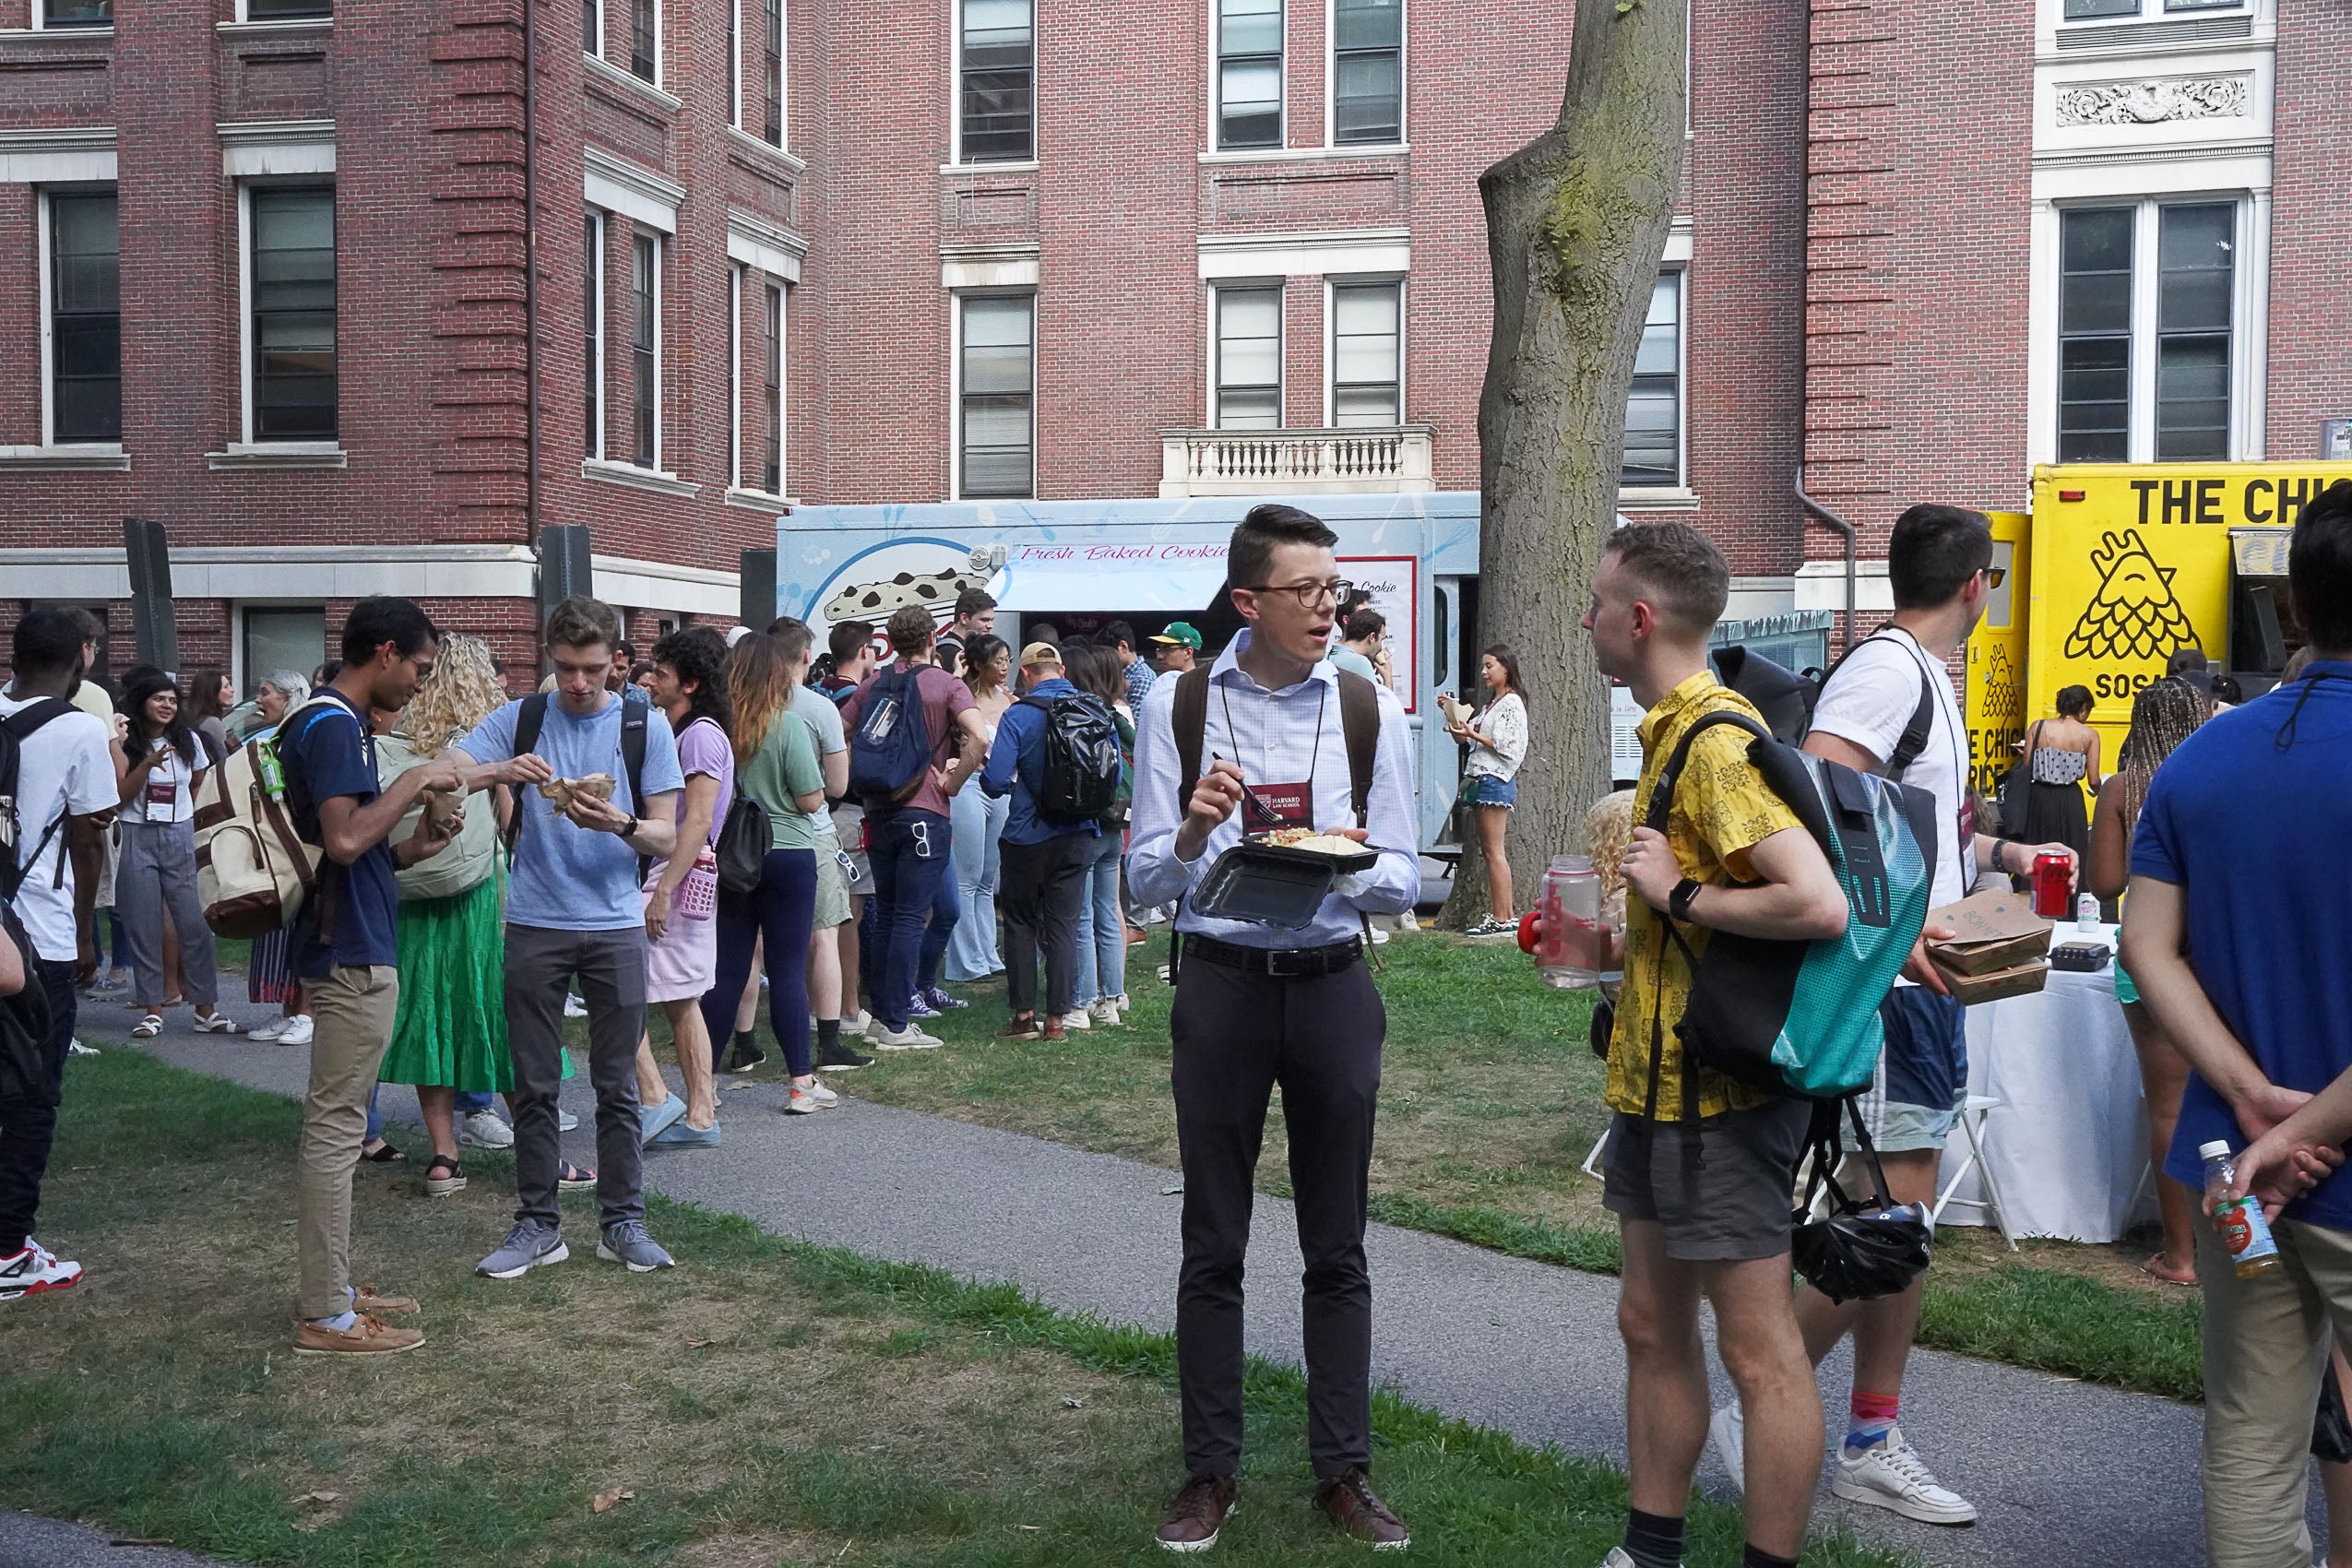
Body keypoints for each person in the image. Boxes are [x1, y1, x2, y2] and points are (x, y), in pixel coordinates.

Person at [1714, 504, 2080, 1527]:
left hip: (1922, 985)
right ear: (1978, 584)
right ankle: (1762, 1397)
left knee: (1898, 1226)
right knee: (1892, 1222)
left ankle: (1870, 1436)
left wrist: (1995, 861)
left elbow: (1898, 820)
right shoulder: (1888, 671)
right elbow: (1821, 787)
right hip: (1892, 990)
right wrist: (1893, 931)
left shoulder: (1918, 676)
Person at [1128, 504, 1422, 1552]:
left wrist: (1347, 855)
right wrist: (1199, 830)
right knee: (1214, 1237)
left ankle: (1342, 1469)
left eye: (1334, 588)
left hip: (1335, 980)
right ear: (1249, 600)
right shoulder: (1179, 701)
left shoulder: (1367, 705)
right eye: (1306, 590)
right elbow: (1143, 876)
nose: (1327, 607)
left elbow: (1405, 875)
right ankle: (1210, 1469)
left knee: (1335, 1240)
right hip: (1221, 983)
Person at [1578, 521, 1852, 1568]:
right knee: (1650, 1320)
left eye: (1600, 601)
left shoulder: (1716, 744)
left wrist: (1677, 890)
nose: (1590, 616)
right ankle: (1651, 1550)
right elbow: (1700, 913)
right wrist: (1622, 935)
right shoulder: (1666, 734)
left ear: (1639, 619)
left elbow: (1815, 902)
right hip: (1652, 1086)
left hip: (1723, 1098)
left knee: (1758, 1348)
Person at [2121, 480, 2352, 1568]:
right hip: (2295, 1164)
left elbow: (2146, 947)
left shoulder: (2200, 759)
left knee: (2252, 1444)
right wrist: (2297, 1126)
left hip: (2231, 1174)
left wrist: (2253, 1100)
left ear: (2294, 606)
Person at [456, 594, 685, 1280]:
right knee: (532, 1086)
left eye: (591, 670)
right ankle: (537, 1224)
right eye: (565, 669)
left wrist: (617, 824)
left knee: (617, 1086)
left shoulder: (643, 723)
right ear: (548, 660)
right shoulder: (522, 716)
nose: (578, 684)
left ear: (617, 662)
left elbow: (666, 833)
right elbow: (447, 773)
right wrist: (499, 772)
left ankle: (623, 1222)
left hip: (614, 924)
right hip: (535, 921)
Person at [276, 596, 459, 1354]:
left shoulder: (330, 722)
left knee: (337, 1123)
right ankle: (327, 1314)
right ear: (384, 652)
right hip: (348, 953)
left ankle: (336, 1290)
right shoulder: (332, 725)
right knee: (337, 1129)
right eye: (418, 668)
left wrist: (416, 840)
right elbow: (345, 840)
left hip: (355, 941)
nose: (420, 684)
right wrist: (417, 781)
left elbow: (366, 852)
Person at [0, 608, 119, 1301]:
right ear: (84, 653)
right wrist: (82, 935)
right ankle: (10, 1248)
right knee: (33, 1095)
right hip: (36, 936)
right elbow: (87, 834)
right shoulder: (81, 730)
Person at [374, 634, 517, 1197]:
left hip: (413, 891)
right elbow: (510, 824)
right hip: (478, 894)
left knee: (429, 1013)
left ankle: (443, 1157)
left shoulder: (401, 735)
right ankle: (538, 1147)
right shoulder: (487, 738)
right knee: (498, 1014)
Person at [2085, 677, 2211, 1285]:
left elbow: (2104, 884)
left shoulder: (2123, 790)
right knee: (2230, 1101)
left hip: (2149, 953)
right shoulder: (2218, 780)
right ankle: (2241, 1247)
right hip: (2217, 956)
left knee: (2167, 1108)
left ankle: (2181, 1255)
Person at [699, 629, 835, 1113]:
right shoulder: (788, 726)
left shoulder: (716, 728)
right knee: (787, 969)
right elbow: (810, 796)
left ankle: (704, 1083)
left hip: (732, 853)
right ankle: (801, 1082)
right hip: (789, 853)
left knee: (727, 969)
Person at [841, 606, 988, 1052]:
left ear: (893, 641)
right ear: (931, 639)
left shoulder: (872, 686)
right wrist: (952, 782)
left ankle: (884, 1014)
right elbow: (980, 738)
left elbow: (840, 730)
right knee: (909, 916)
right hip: (926, 809)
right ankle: (898, 1022)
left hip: (879, 808)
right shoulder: (947, 685)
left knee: (886, 912)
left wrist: (853, 777)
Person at [631, 625, 734, 1146]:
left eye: (662, 673)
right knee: (680, 997)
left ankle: (659, 1100)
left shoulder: (698, 735)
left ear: (689, 684)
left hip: (675, 876)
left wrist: (665, 889)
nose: (651, 680)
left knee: (620, 988)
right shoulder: (690, 731)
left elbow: (695, 821)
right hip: (681, 875)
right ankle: (698, 1114)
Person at [980, 641, 1099, 1041]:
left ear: (1026, 675)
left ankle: (1023, 1017)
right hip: (1080, 833)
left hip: (1026, 836)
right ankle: (1056, 1022)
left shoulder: (1017, 715)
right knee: (1064, 926)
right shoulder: (1093, 710)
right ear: (1062, 671)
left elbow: (996, 780)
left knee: (1020, 925)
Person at [774, 616, 877, 1073]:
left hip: (747, 837)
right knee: (824, 936)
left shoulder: (739, 706)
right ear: (804, 657)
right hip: (810, 831)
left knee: (760, 944)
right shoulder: (818, 710)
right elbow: (836, 786)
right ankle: (830, 1036)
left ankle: (740, 1042)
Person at [113, 669, 235, 1039]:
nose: (167, 706)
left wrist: (188, 816)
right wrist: (147, 765)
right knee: (143, 924)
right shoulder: (126, 744)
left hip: (180, 833)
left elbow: (199, 780)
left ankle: (206, 1010)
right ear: (141, 703)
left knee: (194, 923)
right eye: (158, 699)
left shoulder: (189, 741)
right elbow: (121, 795)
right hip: (137, 833)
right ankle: (153, 1009)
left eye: (171, 700)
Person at [244, 671, 315, 1049]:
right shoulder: (266, 737)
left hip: (302, 846)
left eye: (266, 692)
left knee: (304, 929)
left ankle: (307, 1013)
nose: (259, 699)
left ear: (290, 696)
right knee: (281, 930)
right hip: (274, 846)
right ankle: (289, 1011)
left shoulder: (300, 733)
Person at [1064, 642, 1133, 1028]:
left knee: (1084, 913)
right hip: (1116, 820)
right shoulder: (1113, 712)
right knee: (1108, 911)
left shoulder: (1077, 714)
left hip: (1088, 822)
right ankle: (1112, 998)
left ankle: (1083, 1002)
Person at [944, 634, 1014, 986]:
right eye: (998, 660)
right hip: (968, 783)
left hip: (1000, 788)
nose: (1004, 667)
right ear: (979, 663)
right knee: (967, 877)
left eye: (1008, 660)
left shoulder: (1011, 700)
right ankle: (964, 961)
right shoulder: (961, 697)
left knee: (989, 877)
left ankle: (987, 954)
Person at [818, 622, 876, 1032]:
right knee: (848, 917)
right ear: (864, 651)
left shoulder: (816, 691)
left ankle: (819, 1001)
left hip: (821, 811)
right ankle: (848, 1006)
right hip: (848, 808)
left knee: (823, 918)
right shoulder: (854, 698)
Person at [1450, 642, 1530, 938]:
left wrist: (1473, 732)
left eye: (1489, 666)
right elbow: (1465, 741)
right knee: (1490, 850)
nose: (1484, 672)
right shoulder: (1490, 705)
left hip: (1495, 780)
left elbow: (1509, 746)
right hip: (1481, 780)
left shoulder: (1511, 704)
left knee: (1494, 851)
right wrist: (1455, 720)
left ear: (1506, 669)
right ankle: (1505, 916)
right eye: (1483, 666)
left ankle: (1502, 918)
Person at [2008, 683, 2098, 860]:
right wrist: (2100, 791)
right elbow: (2093, 780)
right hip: (2071, 800)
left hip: (2040, 798)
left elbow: (2027, 764)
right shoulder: (2089, 735)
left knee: (2038, 849)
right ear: (2083, 709)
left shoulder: (2038, 727)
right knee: (2071, 850)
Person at [932, 588, 997, 680]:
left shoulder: (963, 649)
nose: (990, 626)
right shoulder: (949, 652)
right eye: (984, 620)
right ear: (964, 618)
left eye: (991, 620)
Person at [183, 667, 234, 767]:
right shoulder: (212, 723)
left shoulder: (192, 719)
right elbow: (224, 761)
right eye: (226, 686)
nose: (232, 690)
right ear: (212, 692)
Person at [1100, 620, 1158, 711]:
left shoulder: (1142, 679)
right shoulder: (1123, 674)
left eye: (1108, 654)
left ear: (1123, 647)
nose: (1106, 659)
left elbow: (1136, 723)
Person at [1327, 608, 1384, 684]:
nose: (1381, 647)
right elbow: (1376, 696)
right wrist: (1387, 676)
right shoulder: (1360, 662)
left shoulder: (1328, 655)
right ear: (1372, 637)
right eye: (1381, 640)